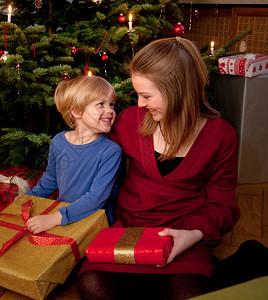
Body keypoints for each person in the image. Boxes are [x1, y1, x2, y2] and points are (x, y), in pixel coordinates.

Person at [77, 37, 241, 300]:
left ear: (177, 91)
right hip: (129, 229)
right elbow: (95, 170)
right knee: (93, 286)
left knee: (188, 293)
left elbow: (223, 205)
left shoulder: (221, 136)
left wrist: (193, 235)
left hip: (184, 232)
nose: (140, 104)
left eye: (146, 95)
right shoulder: (130, 121)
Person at [24, 75, 122, 235]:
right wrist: (25, 199)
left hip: (93, 221)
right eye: (101, 104)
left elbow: (96, 198)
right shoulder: (59, 142)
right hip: (63, 216)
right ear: (77, 111)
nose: (109, 111)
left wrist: (55, 218)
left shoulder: (110, 152)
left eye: (111, 105)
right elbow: (49, 181)